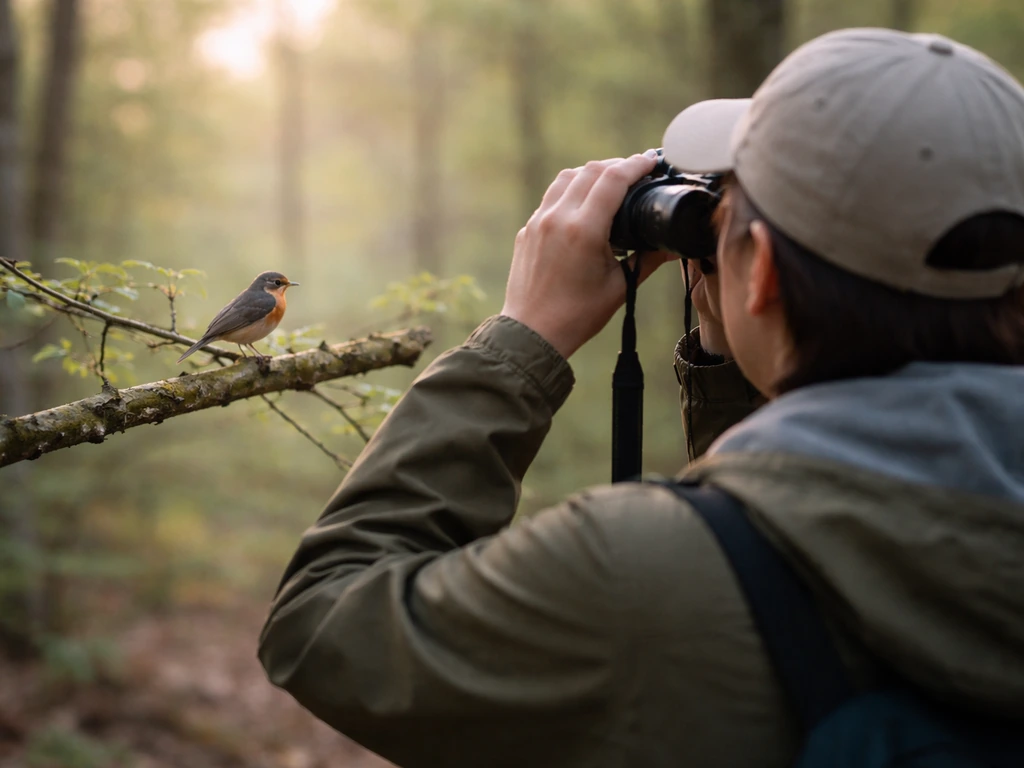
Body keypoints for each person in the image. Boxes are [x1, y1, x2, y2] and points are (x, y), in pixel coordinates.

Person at [258, 27, 1024, 768]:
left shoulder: (642, 581)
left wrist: (521, 340)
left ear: (759, 274)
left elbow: (322, 626)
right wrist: (734, 372)